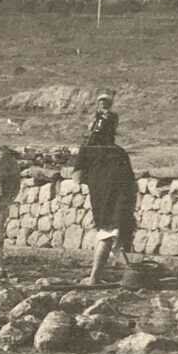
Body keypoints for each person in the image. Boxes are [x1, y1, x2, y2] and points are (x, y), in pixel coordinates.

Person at [73, 105, 137, 284]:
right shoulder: (120, 152)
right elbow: (131, 182)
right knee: (114, 233)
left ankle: (98, 276)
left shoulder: (87, 150)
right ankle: (100, 276)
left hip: (103, 198)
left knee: (108, 233)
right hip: (123, 198)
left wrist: (95, 180)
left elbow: (77, 178)